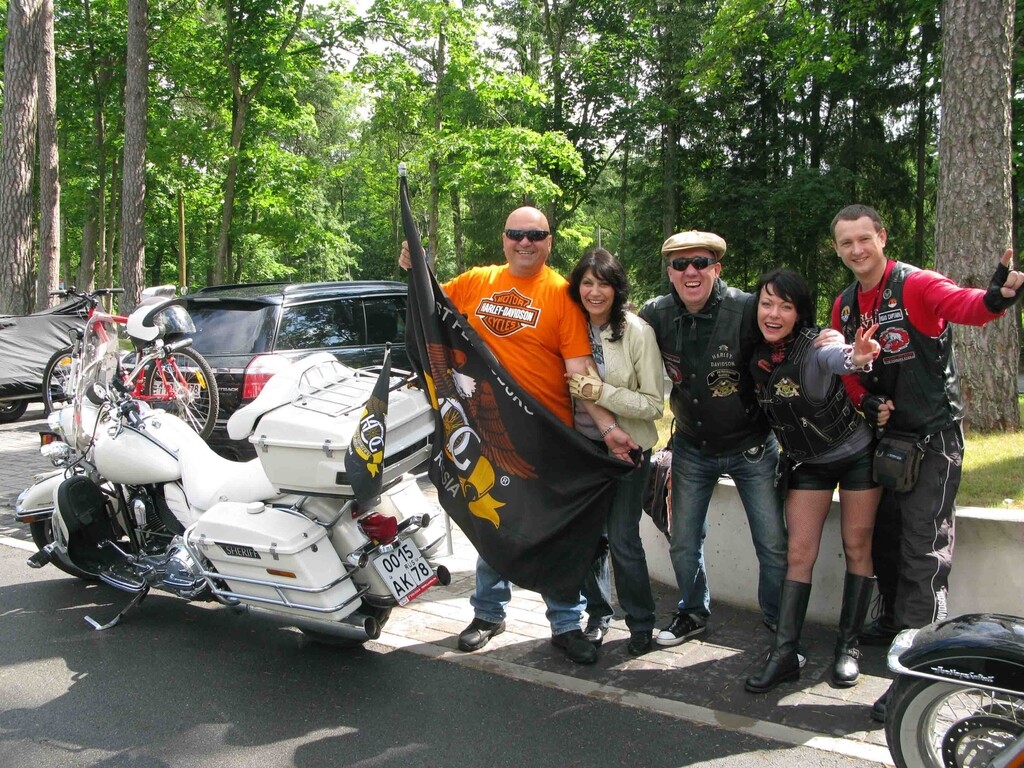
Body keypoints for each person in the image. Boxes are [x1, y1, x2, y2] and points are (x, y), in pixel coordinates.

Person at [399, 208, 637, 665]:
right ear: (504, 238)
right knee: (494, 524)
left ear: (549, 242)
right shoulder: (477, 281)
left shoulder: (562, 296)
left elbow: (579, 372)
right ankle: (488, 614)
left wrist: (608, 429)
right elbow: (430, 308)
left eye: (535, 235)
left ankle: (566, 623)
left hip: (546, 437)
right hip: (485, 432)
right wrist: (415, 266)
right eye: (516, 233)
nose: (525, 242)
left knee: (555, 532)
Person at [829, 204, 1024, 720]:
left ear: (882, 237)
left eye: (864, 239)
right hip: (885, 444)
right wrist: (866, 399)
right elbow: (847, 369)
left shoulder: (916, 284)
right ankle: (895, 623)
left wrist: (997, 297)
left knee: (922, 553)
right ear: (837, 249)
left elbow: (967, 306)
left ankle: (916, 674)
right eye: (846, 243)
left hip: (934, 441)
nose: (856, 249)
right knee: (886, 542)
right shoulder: (844, 305)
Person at [638, 230, 788, 645]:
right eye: (680, 264)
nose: (691, 272)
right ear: (670, 272)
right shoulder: (655, 314)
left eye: (700, 263)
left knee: (772, 542)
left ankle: (779, 619)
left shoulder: (747, 309)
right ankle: (692, 611)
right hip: (691, 446)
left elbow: (789, 339)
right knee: (684, 541)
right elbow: (618, 345)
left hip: (752, 446)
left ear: (716, 268)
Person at [742, 268, 881, 694]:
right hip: (806, 463)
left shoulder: (817, 344)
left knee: (857, 546)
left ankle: (848, 647)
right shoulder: (754, 352)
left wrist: (857, 356)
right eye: (767, 303)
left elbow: (839, 357)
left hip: (855, 456)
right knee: (799, 553)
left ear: (799, 313)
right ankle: (784, 653)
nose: (774, 314)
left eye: (785, 306)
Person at [564, 248, 664, 657]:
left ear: (617, 288)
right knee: (587, 537)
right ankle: (598, 614)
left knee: (623, 539)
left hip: (627, 449)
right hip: (579, 447)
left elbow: (654, 405)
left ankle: (640, 622)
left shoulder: (636, 332)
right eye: (587, 282)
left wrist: (600, 392)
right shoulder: (568, 325)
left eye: (603, 283)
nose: (594, 291)